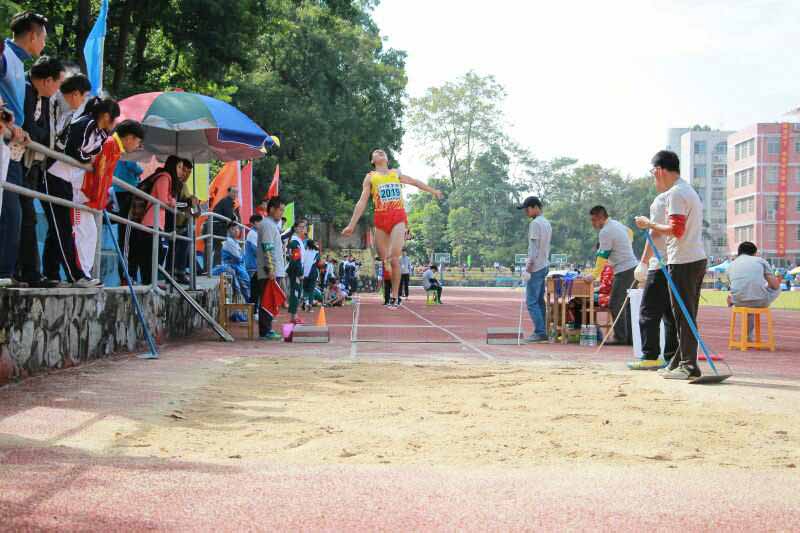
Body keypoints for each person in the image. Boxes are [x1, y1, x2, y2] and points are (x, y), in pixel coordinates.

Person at [636, 150, 707, 380]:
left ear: (659, 170)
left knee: (683, 315)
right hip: (693, 258)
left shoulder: (675, 194)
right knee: (681, 313)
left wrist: (650, 224)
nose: (653, 178)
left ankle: (688, 365)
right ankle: (678, 360)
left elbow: (677, 230)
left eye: (652, 173)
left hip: (684, 260)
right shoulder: (687, 190)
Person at [342, 148, 443, 308]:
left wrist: (433, 191)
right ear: (372, 160)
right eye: (376, 152)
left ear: (387, 159)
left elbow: (415, 182)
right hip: (380, 220)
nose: (380, 152)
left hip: (398, 217)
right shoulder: (370, 177)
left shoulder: (395, 173)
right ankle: (389, 291)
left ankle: (396, 298)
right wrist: (351, 225)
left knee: (394, 258)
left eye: (382, 152)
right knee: (386, 260)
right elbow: (361, 202)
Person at [0, 11, 47, 285]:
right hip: (4, 141)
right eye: (43, 38)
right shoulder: (6, 55)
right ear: (33, 36)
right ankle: (4, 271)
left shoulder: (17, 62)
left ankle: (6, 269)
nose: (43, 44)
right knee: (10, 209)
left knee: (12, 207)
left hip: (13, 144)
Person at [17, 55, 64, 287]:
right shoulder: (23, 89)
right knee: (25, 217)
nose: (58, 89)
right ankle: (27, 272)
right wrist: (36, 134)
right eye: (57, 83)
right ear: (47, 80)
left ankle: (28, 271)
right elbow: (27, 125)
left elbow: (43, 131)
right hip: (16, 162)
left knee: (27, 217)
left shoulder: (44, 98)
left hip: (32, 165)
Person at [629, 187, 679, 371]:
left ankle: (650, 356)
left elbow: (655, 233)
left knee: (648, 312)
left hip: (660, 265)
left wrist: (643, 262)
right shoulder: (685, 196)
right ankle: (672, 356)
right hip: (677, 263)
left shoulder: (661, 200)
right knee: (670, 314)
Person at [585, 205, 638, 345]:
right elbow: (630, 232)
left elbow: (602, 255)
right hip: (632, 267)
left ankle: (621, 338)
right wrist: (627, 246)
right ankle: (630, 338)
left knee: (615, 303)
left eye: (594, 220)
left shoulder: (605, 231)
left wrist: (594, 275)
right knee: (627, 305)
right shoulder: (616, 224)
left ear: (601, 218)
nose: (593, 223)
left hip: (624, 269)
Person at [126, 157, 177, 285]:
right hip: (151, 221)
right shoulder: (165, 177)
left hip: (154, 222)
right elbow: (163, 200)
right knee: (151, 254)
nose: (182, 171)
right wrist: (172, 202)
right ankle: (149, 282)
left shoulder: (165, 178)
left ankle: (150, 281)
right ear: (173, 167)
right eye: (180, 167)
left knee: (152, 253)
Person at [726, 241, 782, 338]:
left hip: (739, 301)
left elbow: (735, 285)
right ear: (754, 253)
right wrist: (767, 286)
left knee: (747, 300)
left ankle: (747, 336)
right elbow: (775, 285)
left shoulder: (730, 265)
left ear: (739, 252)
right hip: (759, 300)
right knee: (776, 289)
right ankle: (756, 296)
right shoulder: (760, 261)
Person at [517, 196, 551, 342]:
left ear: (534, 207)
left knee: (531, 301)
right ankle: (543, 330)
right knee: (539, 300)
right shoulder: (547, 223)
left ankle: (540, 332)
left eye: (527, 209)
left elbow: (533, 248)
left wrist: (528, 269)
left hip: (535, 266)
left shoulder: (535, 224)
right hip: (544, 264)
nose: (526, 212)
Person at [254, 197, 285, 340]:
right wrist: (270, 268)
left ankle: (267, 329)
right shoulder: (267, 225)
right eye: (280, 210)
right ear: (272, 209)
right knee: (267, 300)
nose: (282, 213)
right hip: (268, 271)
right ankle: (265, 331)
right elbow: (267, 247)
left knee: (271, 300)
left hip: (274, 269)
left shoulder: (271, 225)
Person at [165, 158, 197, 284]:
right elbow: (173, 203)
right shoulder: (171, 182)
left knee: (183, 248)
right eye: (183, 170)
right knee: (172, 250)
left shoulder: (183, 185)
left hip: (183, 223)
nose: (185, 174)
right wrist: (188, 203)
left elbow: (187, 203)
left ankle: (180, 273)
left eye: (188, 172)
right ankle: (170, 274)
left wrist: (194, 206)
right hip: (171, 222)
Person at [212, 223, 250, 304]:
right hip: (233, 266)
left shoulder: (235, 242)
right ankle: (249, 305)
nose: (236, 231)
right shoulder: (229, 241)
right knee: (244, 283)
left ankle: (249, 305)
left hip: (238, 266)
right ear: (228, 231)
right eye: (233, 229)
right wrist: (242, 257)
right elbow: (239, 258)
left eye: (237, 229)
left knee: (246, 281)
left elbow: (241, 257)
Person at [286, 219, 309, 324]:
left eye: (304, 227)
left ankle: (294, 315)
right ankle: (293, 317)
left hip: (297, 269)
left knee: (297, 293)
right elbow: (296, 259)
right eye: (301, 227)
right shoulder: (295, 241)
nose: (303, 229)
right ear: (295, 228)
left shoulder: (299, 241)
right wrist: (300, 273)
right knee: (295, 293)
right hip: (295, 271)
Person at [211, 186, 239, 269]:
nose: (235, 194)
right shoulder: (226, 201)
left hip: (219, 227)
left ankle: (214, 268)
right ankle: (215, 268)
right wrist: (235, 222)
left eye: (237, 192)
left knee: (218, 249)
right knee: (218, 249)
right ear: (228, 192)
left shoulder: (229, 202)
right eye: (233, 192)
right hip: (217, 227)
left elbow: (230, 217)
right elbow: (229, 216)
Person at [244, 214, 262, 308]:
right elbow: (256, 251)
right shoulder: (252, 234)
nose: (261, 224)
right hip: (253, 266)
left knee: (256, 290)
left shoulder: (256, 233)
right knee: (255, 290)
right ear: (253, 223)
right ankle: (253, 311)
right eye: (259, 222)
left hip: (256, 265)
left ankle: (255, 310)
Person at [302, 239, 321, 311]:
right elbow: (318, 262)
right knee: (311, 290)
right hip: (313, 272)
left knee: (305, 289)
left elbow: (302, 262)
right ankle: (310, 305)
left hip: (305, 272)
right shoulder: (316, 252)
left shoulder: (304, 252)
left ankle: (304, 301)